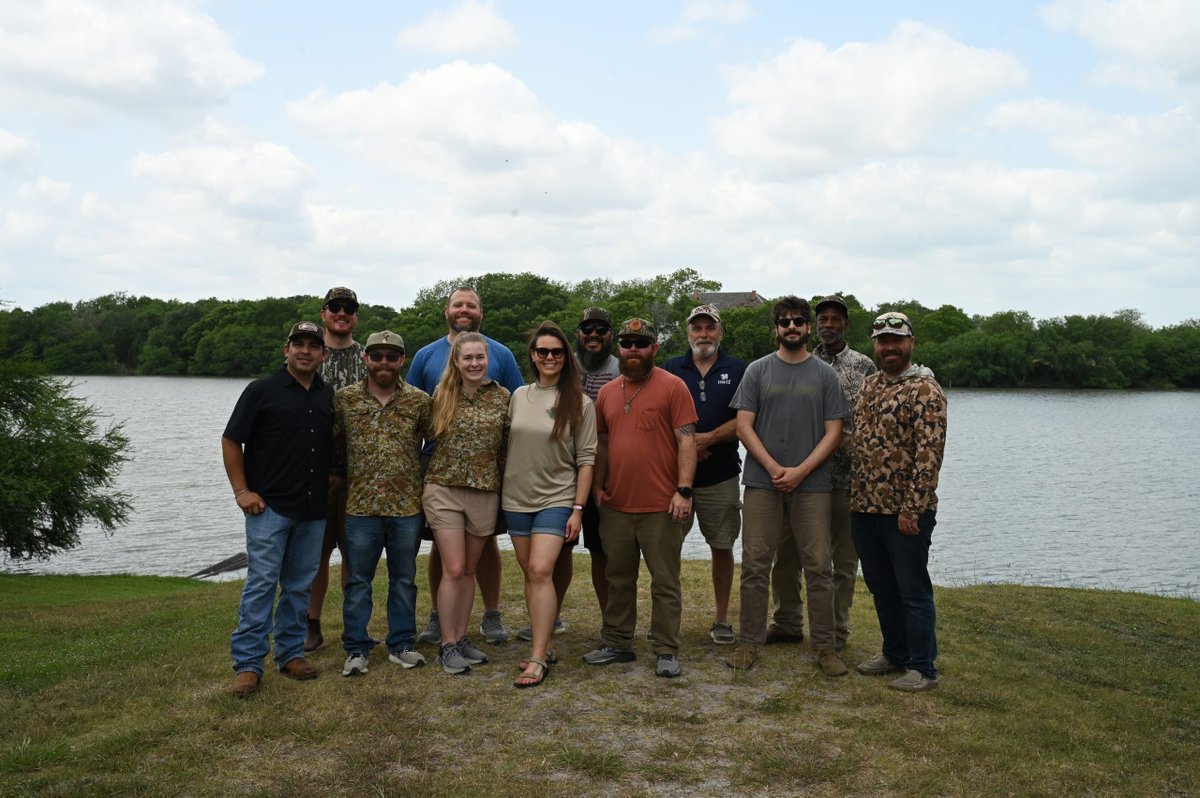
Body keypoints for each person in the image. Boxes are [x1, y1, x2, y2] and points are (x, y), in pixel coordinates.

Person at [727, 296, 849, 676]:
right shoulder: (757, 371)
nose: (792, 327)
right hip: (763, 484)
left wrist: (800, 470)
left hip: (813, 486)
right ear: (776, 328)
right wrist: (774, 467)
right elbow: (744, 425)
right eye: (785, 322)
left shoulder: (825, 376)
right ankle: (749, 642)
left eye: (799, 321)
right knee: (755, 564)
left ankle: (825, 648)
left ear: (808, 327)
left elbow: (835, 431)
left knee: (819, 566)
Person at [222, 321, 333, 698]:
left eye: (313, 346)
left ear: (324, 354)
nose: (305, 350)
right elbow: (231, 439)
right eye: (298, 344)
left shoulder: (327, 396)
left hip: (312, 508)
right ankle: (248, 664)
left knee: (299, 585)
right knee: (262, 583)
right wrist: (241, 491)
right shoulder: (261, 391)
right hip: (268, 507)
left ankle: (289, 652)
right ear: (286, 349)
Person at [408, 286, 524, 647]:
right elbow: (410, 416)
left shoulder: (501, 355)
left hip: (487, 478)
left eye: (471, 305)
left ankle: (489, 616)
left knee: (480, 550)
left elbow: (519, 415)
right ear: (447, 309)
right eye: (458, 304)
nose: (464, 309)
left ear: (480, 311)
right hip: (441, 476)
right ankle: (441, 624)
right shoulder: (427, 358)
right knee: (444, 555)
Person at [583, 318, 697, 678]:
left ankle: (666, 648)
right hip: (616, 505)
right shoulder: (606, 392)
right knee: (618, 577)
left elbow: (687, 441)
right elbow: (601, 443)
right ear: (619, 348)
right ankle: (617, 642)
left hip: (662, 506)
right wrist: (598, 488)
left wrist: (683, 491)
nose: (633, 349)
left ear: (654, 349)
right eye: (628, 343)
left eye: (641, 343)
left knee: (665, 581)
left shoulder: (674, 386)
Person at [768, 295, 877, 649]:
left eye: (835, 319)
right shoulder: (801, 360)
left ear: (845, 324)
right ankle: (786, 621)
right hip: (802, 478)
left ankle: (835, 631)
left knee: (842, 561)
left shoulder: (863, 367)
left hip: (847, 481)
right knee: (786, 555)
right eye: (823, 319)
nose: (829, 324)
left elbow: (871, 424)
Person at [851, 311, 948, 692]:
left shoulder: (925, 390)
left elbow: (929, 453)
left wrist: (914, 507)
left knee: (912, 590)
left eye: (897, 339)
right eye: (882, 340)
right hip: (864, 507)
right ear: (875, 345)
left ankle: (923, 667)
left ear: (911, 343)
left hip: (906, 513)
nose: (889, 346)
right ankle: (894, 653)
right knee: (881, 587)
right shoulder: (869, 385)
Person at [503, 321, 597, 687]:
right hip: (516, 499)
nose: (549, 357)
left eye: (557, 352)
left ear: (566, 357)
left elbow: (586, 459)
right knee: (531, 574)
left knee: (542, 570)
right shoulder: (518, 396)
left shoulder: (580, 403)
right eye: (542, 351)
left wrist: (578, 508)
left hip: (557, 498)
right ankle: (544, 644)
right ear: (532, 355)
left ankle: (538, 658)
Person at [334, 330, 432, 677]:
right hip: (360, 507)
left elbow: (433, 443)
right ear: (366, 359)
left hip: (406, 507)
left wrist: (417, 476)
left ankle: (402, 643)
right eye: (377, 356)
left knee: (404, 578)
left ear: (402, 360)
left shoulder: (419, 400)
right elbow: (335, 446)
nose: (384, 363)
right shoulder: (345, 400)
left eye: (392, 357)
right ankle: (356, 648)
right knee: (358, 580)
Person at [421, 332, 510, 674]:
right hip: (443, 489)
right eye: (467, 358)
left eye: (479, 358)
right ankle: (446, 645)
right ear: (456, 362)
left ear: (487, 360)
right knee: (454, 568)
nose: (474, 364)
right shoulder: (439, 396)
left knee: (470, 570)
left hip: (484, 491)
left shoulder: (502, 397)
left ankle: (459, 638)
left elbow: (509, 443)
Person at [663, 304, 747, 645]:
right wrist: (686, 446)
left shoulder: (740, 369)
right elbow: (658, 417)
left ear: (720, 333)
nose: (703, 334)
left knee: (722, 546)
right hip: (675, 479)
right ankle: (667, 621)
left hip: (721, 474)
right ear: (688, 333)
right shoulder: (670, 368)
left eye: (710, 328)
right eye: (696, 328)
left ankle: (722, 619)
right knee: (667, 549)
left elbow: (747, 417)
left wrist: (707, 439)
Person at [306, 286, 366, 652]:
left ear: (355, 315)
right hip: (315, 474)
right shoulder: (311, 355)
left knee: (354, 555)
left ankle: (352, 624)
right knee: (316, 554)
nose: (342, 313)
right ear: (325, 313)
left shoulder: (368, 357)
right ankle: (311, 623)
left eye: (349, 308)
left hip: (359, 474)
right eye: (335, 307)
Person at [574, 307, 622, 617]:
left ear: (610, 335)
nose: (593, 335)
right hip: (569, 470)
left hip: (610, 471)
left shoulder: (621, 368)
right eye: (587, 329)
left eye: (601, 329)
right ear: (578, 334)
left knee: (608, 550)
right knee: (574, 549)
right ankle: (553, 616)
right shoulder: (566, 365)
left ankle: (616, 619)